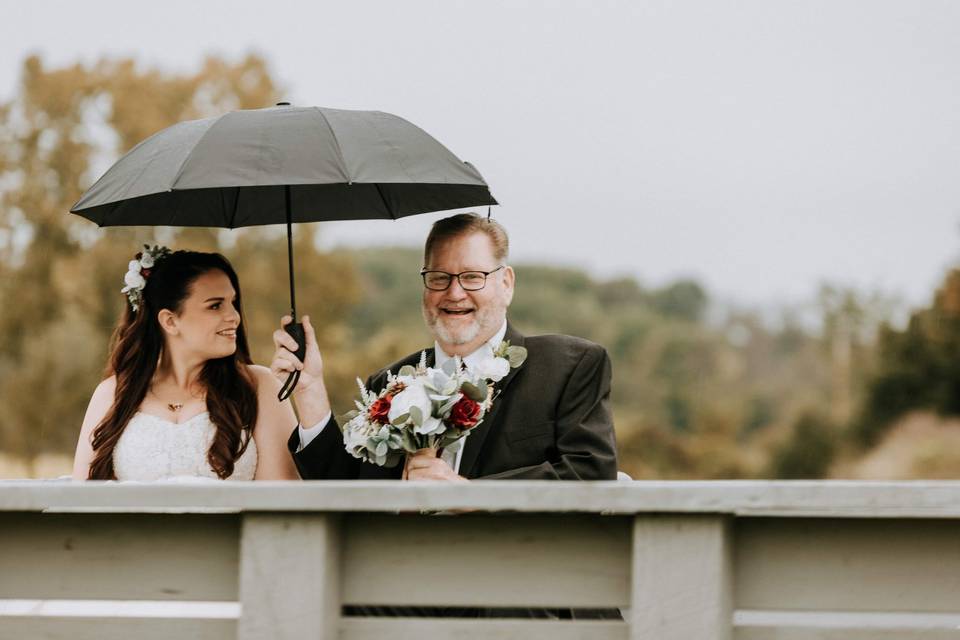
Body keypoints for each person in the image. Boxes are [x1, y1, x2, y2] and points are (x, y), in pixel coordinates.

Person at [272, 213, 617, 481]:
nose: (454, 293)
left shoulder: (569, 367)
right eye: (439, 278)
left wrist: (469, 495)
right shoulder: (388, 384)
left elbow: (589, 473)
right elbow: (345, 489)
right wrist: (310, 389)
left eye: (472, 277)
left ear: (506, 283)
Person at [72, 248, 300, 481]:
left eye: (233, 302)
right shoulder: (113, 394)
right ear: (170, 321)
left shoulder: (260, 387)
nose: (234, 316)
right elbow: (80, 501)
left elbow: (282, 502)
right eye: (215, 305)